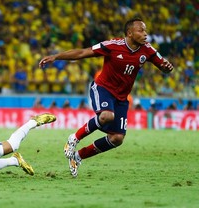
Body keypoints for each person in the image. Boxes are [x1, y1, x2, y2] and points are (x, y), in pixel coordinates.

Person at [39, 18, 174, 177]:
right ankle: (74, 138)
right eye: (141, 30)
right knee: (107, 116)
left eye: (145, 30)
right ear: (129, 33)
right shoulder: (112, 46)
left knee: (117, 138)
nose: (145, 34)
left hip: (122, 98)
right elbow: (83, 52)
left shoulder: (148, 50)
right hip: (102, 88)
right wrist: (56, 56)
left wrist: (167, 68)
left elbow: (163, 66)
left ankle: (78, 156)